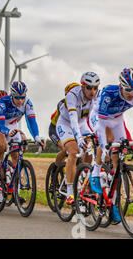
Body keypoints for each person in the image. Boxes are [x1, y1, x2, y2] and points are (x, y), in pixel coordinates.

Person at [90, 68, 133, 223]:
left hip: (117, 119)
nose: (131, 93)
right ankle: (95, 173)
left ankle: (113, 204)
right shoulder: (108, 94)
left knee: (118, 161)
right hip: (99, 117)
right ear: (120, 86)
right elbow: (103, 125)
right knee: (109, 141)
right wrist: (104, 147)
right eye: (128, 89)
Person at [0, 81, 45, 202]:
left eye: (22, 97)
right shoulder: (3, 103)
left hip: (12, 126)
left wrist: (36, 137)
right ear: (11, 95)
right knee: (3, 145)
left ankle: (15, 190)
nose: (20, 101)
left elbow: (31, 121)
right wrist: (6, 132)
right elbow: (0, 124)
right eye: (17, 98)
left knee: (17, 157)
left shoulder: (27, 103)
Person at [54, 72, 100, 205]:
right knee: (73, 152)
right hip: (66, 124)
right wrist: (79, 138)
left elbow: (95, 117)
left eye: (95, 88)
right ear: (83, 86)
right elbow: (73, 119)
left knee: (90, 149)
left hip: (82, 123)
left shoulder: (96, 96)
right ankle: (69, 191)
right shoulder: (72, 95)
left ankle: (84, 179)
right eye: (89, 88)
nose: (92, 91)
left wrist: (97, 133)